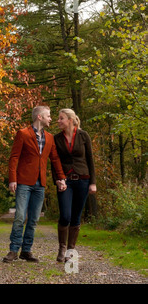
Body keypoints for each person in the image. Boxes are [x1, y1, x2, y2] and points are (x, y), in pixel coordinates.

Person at [3, 106, 67, 263]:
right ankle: (13, 250)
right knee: (19, 217)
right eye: (49, 116)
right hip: (24, 182)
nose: (51, 119)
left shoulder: (50, 138)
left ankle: (26, 250)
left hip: (40, 184)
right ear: (39, 117)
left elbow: (55, 159)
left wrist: (61, 178)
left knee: (33, 219)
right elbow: (14, 158)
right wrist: (12, 179)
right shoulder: (23, 134)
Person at [53, 108, 97, 262]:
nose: (58, 121)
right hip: (65, 181)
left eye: (61, 118)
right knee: (65, 216)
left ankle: (70, 250)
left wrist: (93, 183)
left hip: (83, 180)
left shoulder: (83, 135)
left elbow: (90, 159)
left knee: (76, 217)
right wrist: (58, 180)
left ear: (70, 120)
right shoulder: (56, 138)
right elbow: (54, 162)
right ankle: (62, 247)